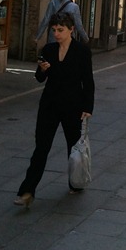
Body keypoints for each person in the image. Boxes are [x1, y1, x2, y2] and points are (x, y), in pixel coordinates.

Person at [15, 12, 94, 208]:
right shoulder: (48, 49)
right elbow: (40, 78)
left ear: (71, 30)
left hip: (73, 106)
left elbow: (88, 81)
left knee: (73, 147)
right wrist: (42, 69)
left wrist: (88, 107)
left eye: (60, 30)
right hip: (49, 105)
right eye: (54, 30)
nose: (56, 34)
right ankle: (27, 190)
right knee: (41, 148)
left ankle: (75, 183)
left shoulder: (82, 51)